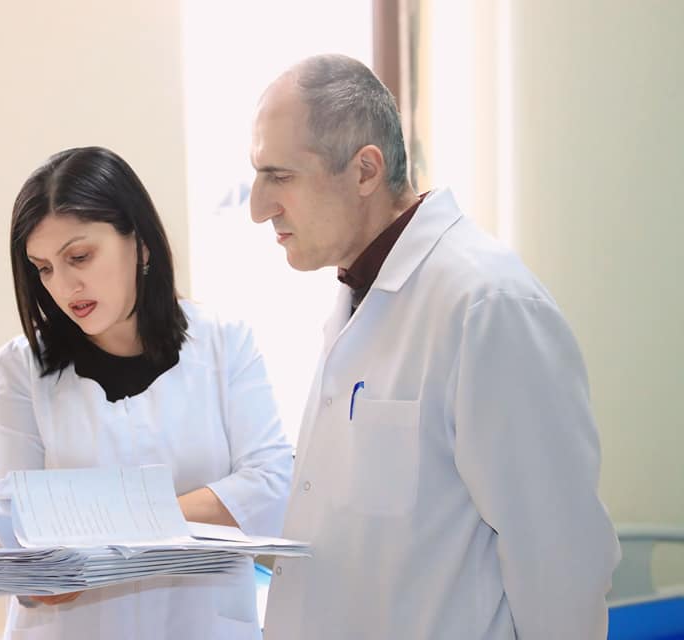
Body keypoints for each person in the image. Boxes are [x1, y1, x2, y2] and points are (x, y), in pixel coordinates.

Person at [250, 54, 620, 639]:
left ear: (365, 171)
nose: (257, 207)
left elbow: (561, 564)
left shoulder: (486, 304)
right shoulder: (358, 297)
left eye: (280, 176)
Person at [0, 146, 292, 639]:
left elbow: (271, 487)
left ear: (141, 245)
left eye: (79, 257)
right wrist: (41, 574)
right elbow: (13, 522)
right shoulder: (21, 368)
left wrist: (109, 529)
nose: (63, 286)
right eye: (43, 268)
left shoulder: (224, 343)